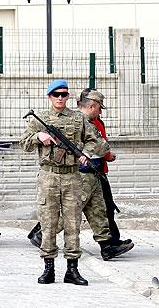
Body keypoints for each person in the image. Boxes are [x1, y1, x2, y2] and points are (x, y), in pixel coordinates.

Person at [27, 89, 134, 261]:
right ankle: (42, 236)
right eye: (99, 108)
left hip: (93, 173)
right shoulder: (80, 121)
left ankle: (107, 246)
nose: (100, 112)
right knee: (71, 212)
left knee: (98, 211)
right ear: (93, 106)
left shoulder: (89, 121)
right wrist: (104, 150)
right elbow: (99, 146)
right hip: (82, 174)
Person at [20, 79, 107, 286]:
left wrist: (86, 153)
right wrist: (38, 137)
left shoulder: (78, 118)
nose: (60, 98)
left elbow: (98, 142)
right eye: (56, 94)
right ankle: (48, 268)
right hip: (48, 175)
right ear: (49, 96)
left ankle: (72, 269)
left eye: (64, 94)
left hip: (72, 176)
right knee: (48, 222)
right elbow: (23, 143)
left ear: (68, 97)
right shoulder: (39, 119)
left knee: (72, 222)